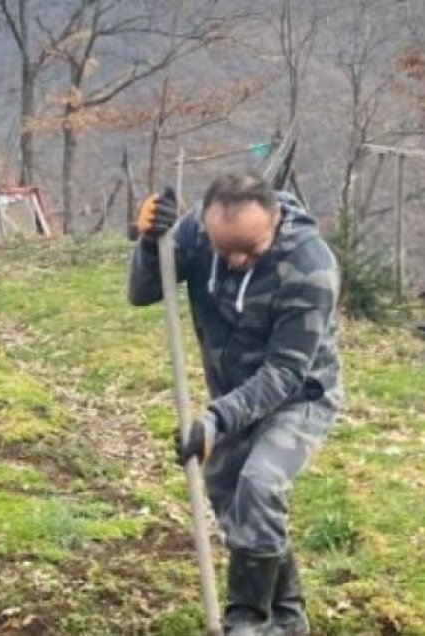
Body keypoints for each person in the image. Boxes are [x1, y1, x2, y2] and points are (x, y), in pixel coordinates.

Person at [128, 173, 341, 636]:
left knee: (260, 484)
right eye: (225, 251)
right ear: (206, 225)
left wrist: (215, 419)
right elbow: (142, 293)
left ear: (276, 219)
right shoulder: (195, 232)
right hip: (232, 396)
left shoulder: (309, 266)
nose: (237, 261)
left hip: (297, 398)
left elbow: (285, 373)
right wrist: (150, 245)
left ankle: (246, 619)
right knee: (233, 500)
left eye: (250, 250)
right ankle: (288, 616)